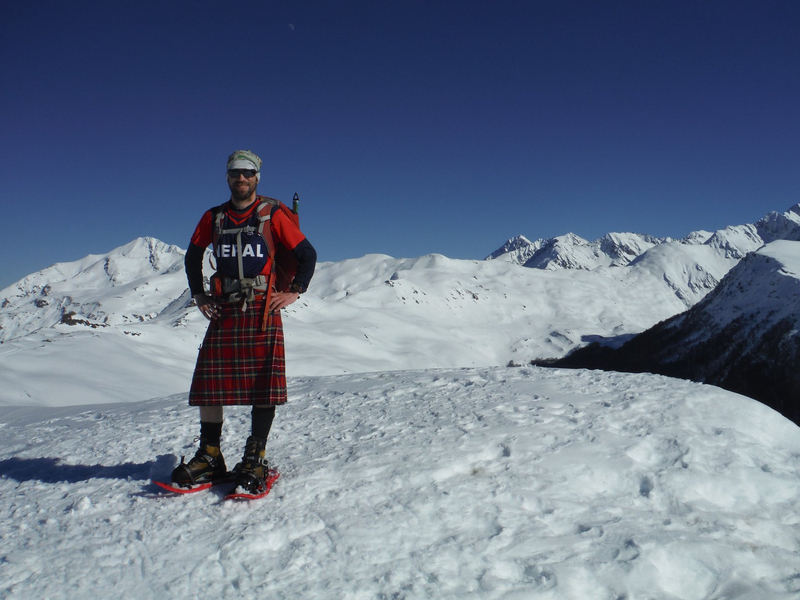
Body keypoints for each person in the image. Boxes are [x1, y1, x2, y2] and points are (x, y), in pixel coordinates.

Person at [173, 149, 317, 493]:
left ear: (257, 177)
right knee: (209, 383)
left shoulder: (273, 214)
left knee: (262, 384)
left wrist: (295, 291)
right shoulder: (214, 217)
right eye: (236, 172)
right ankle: (210, 455)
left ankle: (255, 454)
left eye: (248, 173)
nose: (242, 178)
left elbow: (306, 254)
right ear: (227, 176)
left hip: (260, 307)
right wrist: (199, 294)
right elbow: (193, 256)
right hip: (224, 307)